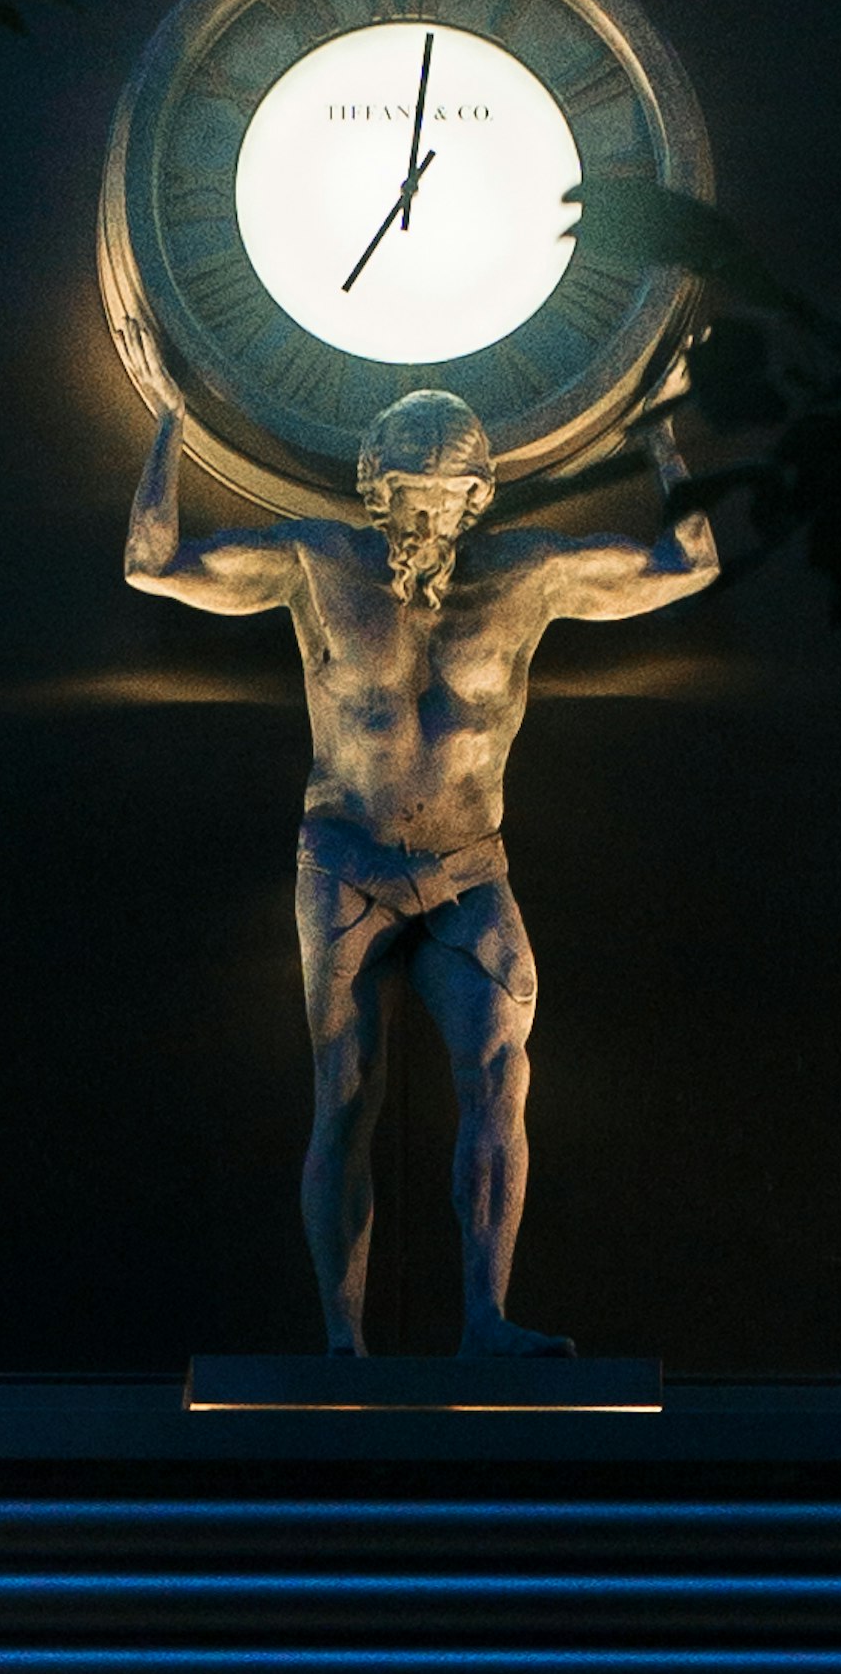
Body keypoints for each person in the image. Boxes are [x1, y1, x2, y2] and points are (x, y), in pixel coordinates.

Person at [121, 362, 717, 1356]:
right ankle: (341, 1345)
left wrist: (660, 434)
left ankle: (487, 1321)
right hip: (348, 863)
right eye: (401, 496)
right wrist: (170, 421)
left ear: (477, 498)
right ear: (370, 487)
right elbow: (154, 562)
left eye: (440, 500)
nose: (420, 520)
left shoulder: (531, 573)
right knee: (344, 1099)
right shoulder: (318, 563)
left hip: (467, 873)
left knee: (500, 1079)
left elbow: (688, 563)